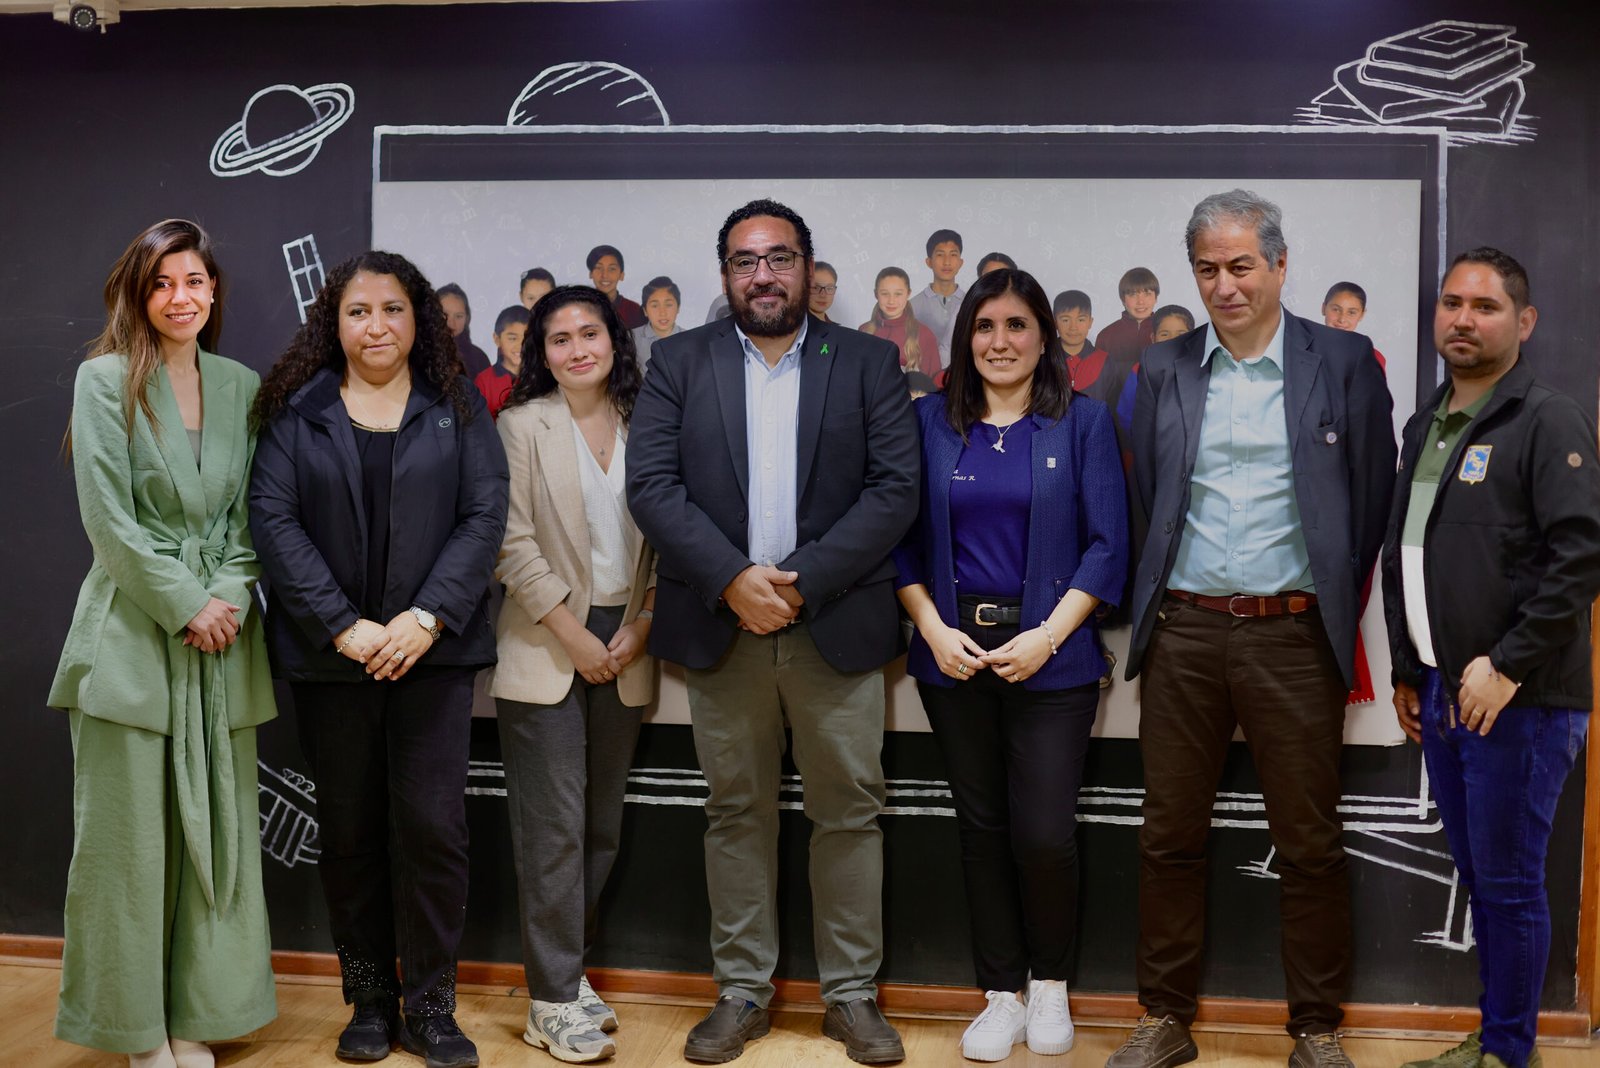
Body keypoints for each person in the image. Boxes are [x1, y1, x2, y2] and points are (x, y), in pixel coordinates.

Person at [627, 198, 919, 1065]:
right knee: (735, 812)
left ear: (807, 268)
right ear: (726, 273)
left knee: (849, 814)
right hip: (723, 629)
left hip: (836, 623)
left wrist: (801, 583)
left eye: (779, 258)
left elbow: (894, 490)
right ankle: (742, 991)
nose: (763, 275)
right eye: (745, 260)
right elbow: (653, 487)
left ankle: (851, 995)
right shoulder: (678, 362)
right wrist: (731, 579)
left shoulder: (867, 360)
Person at [1107, 190, 1395, 1068]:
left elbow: (1369, 501)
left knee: (1308, 841)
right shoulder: (1164, 367)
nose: (1224, 286)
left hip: (1294, 635)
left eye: (1240, 266)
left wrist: (1318, 597)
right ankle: (1164, 1018)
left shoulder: (1341, 361)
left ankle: (1315, 1028)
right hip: (1186, 632)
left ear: (1278, 264)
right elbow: (1148, 497)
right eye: (1207, 269)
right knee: (1168, 835)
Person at [250, 250, 509, 1068]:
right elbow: (274, 521)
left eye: (392, 309)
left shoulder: (457, 404)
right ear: (334, 322)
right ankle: (368, 1000)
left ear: (416, 317)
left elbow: (484, 516)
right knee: (351, 833)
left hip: (433, 656)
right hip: (334, 662)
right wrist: (342, 626)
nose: (376, 326)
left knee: (433, 830)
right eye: (358, 311)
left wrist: (424, 619)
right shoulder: (296, 410)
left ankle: (432, 1007)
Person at [49, 218, 278, 1068]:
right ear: (137, 294)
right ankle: (137, 1031)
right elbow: (108, 521)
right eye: (162, 283)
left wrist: (227, 598)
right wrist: (186, 604)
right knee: (129, 846)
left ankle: (197, 1018)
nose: (180, 298)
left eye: (194, 281)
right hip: (131, 638)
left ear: (214, 290)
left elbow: (254, 518)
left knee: (218, 834)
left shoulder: (241, 384)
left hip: (223, 638)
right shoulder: (103, 380)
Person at [894, 268, 1127, 1062]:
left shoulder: (1083, 423)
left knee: (1045, 834)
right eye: (985, 326)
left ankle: (1051, 983)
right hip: (953, 659)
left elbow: (1108, 546)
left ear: (1044, 336)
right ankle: (1002, 993)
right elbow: (900, 541)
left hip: (1052, 660)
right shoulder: (927, 422)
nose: (1000, 341)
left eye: (1016, 325)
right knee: (982, 829)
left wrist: (1047, 638)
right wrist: (931, 628)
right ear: (965, 338)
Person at [1386, 249, 1600, 1068]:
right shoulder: (1427, 423)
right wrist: (1408, 667)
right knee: (1482, 879)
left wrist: (1506, 665)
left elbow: (1581, 557)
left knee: (1508, 885)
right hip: (1443, 691)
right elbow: (1406, 551)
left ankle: (1509, 1054)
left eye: (1485, 306)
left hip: (1521, 699)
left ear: (1524, 321)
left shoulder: (1548, 419)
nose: (1463, 319)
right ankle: (1498, 1041)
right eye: (1452, 303)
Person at [491, 285, 658, 1064]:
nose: (577, 348)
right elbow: (510, 545)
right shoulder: (521, 425)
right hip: (547, 644)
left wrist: (643, 625)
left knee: (599, 829)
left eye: (590, 333)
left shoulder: (648, 422)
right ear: (542, 353)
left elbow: (673, 536)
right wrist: (574, 634)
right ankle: (550, 1001)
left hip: (629, 643)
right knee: (553, 830)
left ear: (615, 341)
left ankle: (570, 972)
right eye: (559, 339)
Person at [860, 266, 941, 379]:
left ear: (908, 293)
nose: (891, 301)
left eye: (898, 294)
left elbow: (934, 384)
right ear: (876, 294)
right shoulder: (863, 331)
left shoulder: (925, 335)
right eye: (885, 293)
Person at [910, 228, 966, 367]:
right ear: (929, 262)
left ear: (960, 262)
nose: (947, 262)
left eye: (953, 255)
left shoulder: (971, 303)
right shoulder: (912, 307)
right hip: (923, 377)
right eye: (940, 255)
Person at [474, 304, 529, 418]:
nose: (520, 345)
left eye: (527, 338)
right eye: (512, 338)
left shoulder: (540, 377)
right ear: (497, 339)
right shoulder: (483, 381)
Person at [1322, 281, 1387, 371]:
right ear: (1323, 308)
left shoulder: (1373, 358)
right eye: (1336, 309)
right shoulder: (1303, 348)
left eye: (1351, 312)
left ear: (1361, 315)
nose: (1342, 319)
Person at [1053, 289, 1107, 392]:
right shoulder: (1042, 359)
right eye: (1065, 320)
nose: (1073, 327)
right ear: (1055, 323)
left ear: (1090, 322)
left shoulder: (1105, 361)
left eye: (1081, 320)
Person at [437, 282, 492, 378]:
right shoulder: (418, 352)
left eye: (459, 316)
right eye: (444, 315)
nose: (451, 323)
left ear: (467, 318)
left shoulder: (479, 358)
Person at [631, 275, 684, 370]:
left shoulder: (690, 339)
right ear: (645, 310)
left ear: (678, 308)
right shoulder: (631, 338)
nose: (662, 312)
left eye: (668, 305)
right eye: (655, 306)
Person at [586, 244, 645, 329]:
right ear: (591, 273)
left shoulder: (634, 310)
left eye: (612, 269)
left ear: (621, 275)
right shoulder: (581, 307)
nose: (605, 275)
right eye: (599, 268)